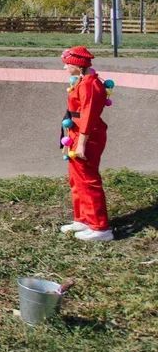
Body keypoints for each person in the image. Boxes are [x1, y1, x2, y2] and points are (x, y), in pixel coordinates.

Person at [59, 46, 113, 242]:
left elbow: (89, 116)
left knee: (88, 179)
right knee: (76, 177)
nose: (65, 67)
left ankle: (100, 228)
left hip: (87, 135)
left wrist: (81, 143)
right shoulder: (82, 80)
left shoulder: (90, 85)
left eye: (67, 64)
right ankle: (83, 219)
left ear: (77, 65)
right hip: (76, 132)